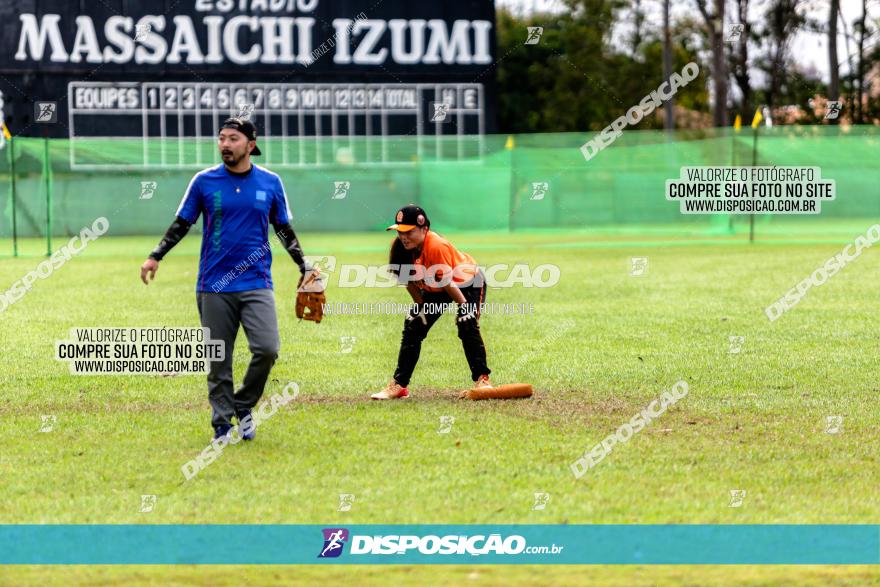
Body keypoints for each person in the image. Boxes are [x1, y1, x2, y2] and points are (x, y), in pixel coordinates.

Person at [140, 117, 314, 440]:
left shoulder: (270, 182)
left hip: (256, 281)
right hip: (213, 284)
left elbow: (284, 229)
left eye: (233, 139)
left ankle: (243, 404)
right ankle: (222, 422)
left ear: (250, 145)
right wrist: (156, 255)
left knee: (267, 349)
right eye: (221, 138)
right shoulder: (204, 182)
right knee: (219, 358)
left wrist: (305, 265)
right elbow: (182, 223)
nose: (224, 145)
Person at [372, 204, 492, 400]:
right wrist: (420, 309)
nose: (403, 236)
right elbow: (409, 282)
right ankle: (399, 385)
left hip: (467, 282)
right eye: (400, 231)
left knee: (466, 324)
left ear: (424, 229)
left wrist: (464, 309)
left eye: (409, 231)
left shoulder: (436, 245)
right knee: (413, 326)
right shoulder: (401, 249)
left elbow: (448, 282)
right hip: (436, 287)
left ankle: (483, 380)